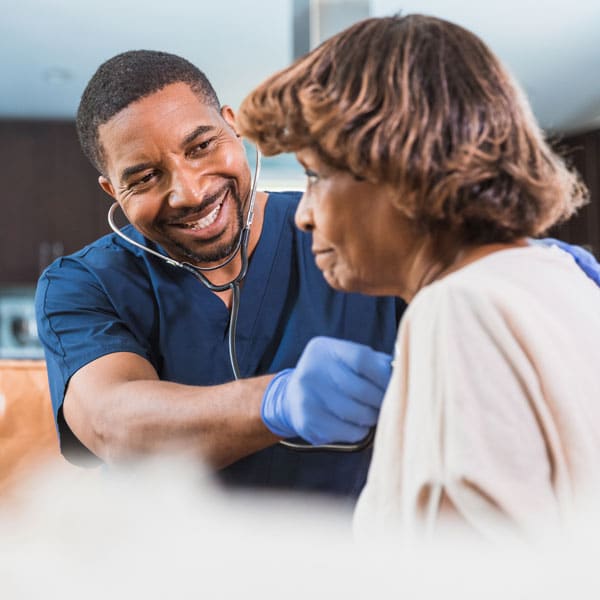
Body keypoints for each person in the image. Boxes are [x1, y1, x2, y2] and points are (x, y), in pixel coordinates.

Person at [237, 14, 600, 542]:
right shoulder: (558, 280)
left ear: (397, 163)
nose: (303, 214)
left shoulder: (458, 307)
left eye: (315, 176)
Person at [35, 50, 401, 500]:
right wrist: (276, 401)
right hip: (172, 561)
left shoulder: (348, 232)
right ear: (113, 189)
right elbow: (110, 424)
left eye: (201, 146)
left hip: (353, 554)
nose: (189, 192)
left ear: (233, 125)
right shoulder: (84, 283)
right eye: (146, 177)